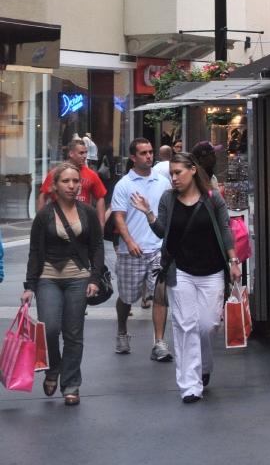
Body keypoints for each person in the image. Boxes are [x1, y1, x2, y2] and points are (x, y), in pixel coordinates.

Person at [130, 151, 240, 402]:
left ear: (192, 170)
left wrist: (233, 261)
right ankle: (190, 385)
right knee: (185, 327)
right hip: (180, 271)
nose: (173, 178)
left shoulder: (213, 198)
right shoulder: (168, 199)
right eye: (171, 174)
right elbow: (162, 232)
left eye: (177, 173)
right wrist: (148, 213)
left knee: (208, 325)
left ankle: (204, 366)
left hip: (212, 270)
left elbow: (224, 230)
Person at [21, 162, 104, 405]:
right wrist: (29, 286)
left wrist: (95, 278)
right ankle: (53, 369)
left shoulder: (87, 211)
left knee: (73, 333)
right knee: (49, 330)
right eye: (66, 181)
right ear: (54, 186)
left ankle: (71, 385)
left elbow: (97, 247)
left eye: (75, 181)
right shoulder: (44, 214)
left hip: (78, 277)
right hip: (48, 277)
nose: (71, 185)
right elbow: (35, 251)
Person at [110, 137, 173, 361]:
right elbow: (119, 216)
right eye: (144, 153)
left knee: (159, 296)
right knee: (127, 297)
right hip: (132, 251)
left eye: (150, 152)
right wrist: (129, 242)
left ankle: (159, 342)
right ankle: (121, 332)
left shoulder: (163, 183)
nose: (149, 156)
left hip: (157, 249)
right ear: (133, 158)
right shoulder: (124, 185)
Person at [38, 136, 106, 228]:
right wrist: (40, 222)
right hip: (58, 220)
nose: (85, 156)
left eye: (86, 152)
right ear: (71, 153)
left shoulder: (91, 174)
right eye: (81, 153)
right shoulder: (56, 173)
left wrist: (101, 223)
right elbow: (43, 196)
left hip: (82, 221)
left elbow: (100, 197)